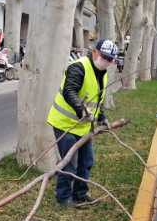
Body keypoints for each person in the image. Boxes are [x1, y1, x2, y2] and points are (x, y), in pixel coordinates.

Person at [47, 39, 119, 207]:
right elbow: (69, 91)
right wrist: (81, 109)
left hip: (84, 126)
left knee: (87, 161)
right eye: (104, 57)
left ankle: (80, 194)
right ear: (94, 52)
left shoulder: (104, 73)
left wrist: (101, 117)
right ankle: (63, 198)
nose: (106, 62)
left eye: (110, 60)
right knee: (69, 163)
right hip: (65, 123)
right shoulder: (78, 67)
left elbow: (96, 100)